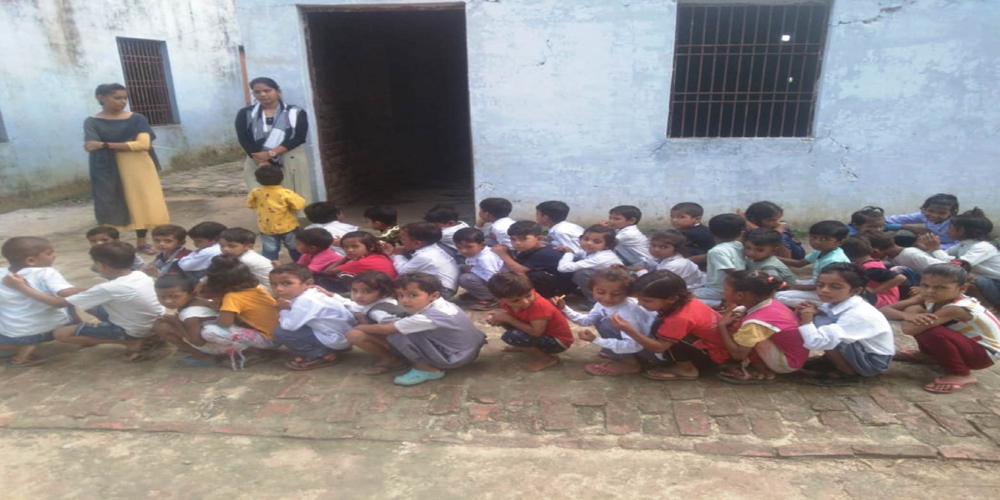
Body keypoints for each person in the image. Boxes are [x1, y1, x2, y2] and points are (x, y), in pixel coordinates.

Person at [6, 241, 165, 362]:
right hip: (154, 321)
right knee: (89, 305)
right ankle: (140, 336)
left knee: (60, 333)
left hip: (136, 329)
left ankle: (131, 342)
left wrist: (21, 287)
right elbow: (84, 295)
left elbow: (58, 303)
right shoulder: (140, 275)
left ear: (101, 265)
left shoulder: (107, 288)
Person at [347, 273, 486, 385]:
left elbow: (386, 329)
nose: (404, 300)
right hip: (466, 350)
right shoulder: (443, 305)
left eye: (413, 295)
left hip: (454, 357)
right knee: (402, 328)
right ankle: (403, 358)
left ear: (434, 295)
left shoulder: (426, 317)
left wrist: (360, 326)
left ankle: (428, 369)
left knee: (397, 333)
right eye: (400, 295)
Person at [882, 263, 1000, 393]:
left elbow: (909, 329)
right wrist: (907, 314)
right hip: (969, 345)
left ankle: (960, 373)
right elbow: (883, 310)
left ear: (962, 288)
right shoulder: (932, 298)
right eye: (925, 285)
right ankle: (928, 355)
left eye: (941, 287)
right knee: (920, 317)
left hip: (983, 355)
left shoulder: (956, 308)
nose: (930, 291)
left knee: (929, 329)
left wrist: (911, 312)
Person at [84, 83, 170, 254]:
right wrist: (126, 145)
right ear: (101, 98)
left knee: (141, 201)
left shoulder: (137, 119)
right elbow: (90, 145)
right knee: (109, 201)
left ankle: (142, 241)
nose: (122, 101)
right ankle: (112, 243)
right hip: (105, 167)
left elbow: (143, 144)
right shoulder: (92, 121)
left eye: (125, 98)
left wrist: (105, 144)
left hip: (137, 166)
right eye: (117, 98)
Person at [611, 270, 727, 380]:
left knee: (670, 335)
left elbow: (658, 348)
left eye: (646, 301)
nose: (640, 304)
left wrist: (629, 330)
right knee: (662, 327)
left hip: (712, 356)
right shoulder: (685, 301)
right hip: (715, 346)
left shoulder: (680, 318)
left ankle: (686, 369)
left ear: (671, 299)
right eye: (639, 299)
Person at [795, 263, 895, 386]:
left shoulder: (858, 314)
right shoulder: (838, 302)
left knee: (824, 331)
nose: (824, 290)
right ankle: (832, 360)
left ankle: (847, 373)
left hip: (873, 361)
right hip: (862, 350)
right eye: (820, 285)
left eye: (835, 287)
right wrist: (812, 311)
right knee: (821, 321)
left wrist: (807, 317)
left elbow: (815, 342)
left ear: (856, 291)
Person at [557, 268, 656, 376]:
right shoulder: (602, 304)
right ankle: (621, 353)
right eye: (601, 292)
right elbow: (587, 321)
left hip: (651, 349)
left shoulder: (628, 313)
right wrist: (564, 308)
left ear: (627, 293)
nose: (607, 298)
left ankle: (630, 363)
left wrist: (596, 340)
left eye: (616, 294)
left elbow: (635, 345)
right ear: (592, 290)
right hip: (639, 343)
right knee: (601, 319)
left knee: (607, 324)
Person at [716, 271, 807, 384]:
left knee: (739, 329)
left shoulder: (755, 323)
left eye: (725, 289)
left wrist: (721, 326)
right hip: (797, 356)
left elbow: (738, 355)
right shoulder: (771, 302)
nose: (723, 292)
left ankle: (760, 370)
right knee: (741, 318)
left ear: (740, 295)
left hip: (787, 363)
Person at [0, 237, 78, 366]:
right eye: (49, 253)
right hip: (55, 328)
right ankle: (78, 328)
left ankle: (19, 349)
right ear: (31, 260)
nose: (54, 255)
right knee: (68, 300)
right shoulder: (46, 272)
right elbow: (64, 297)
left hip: (18, 335)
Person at [236, 77, 312, 201]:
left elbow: (299, 137)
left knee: (294, 195)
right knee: (263, 197)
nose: (262, 94)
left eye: (267, 90)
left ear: (278, 91)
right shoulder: (245, 114)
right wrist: (260, 160)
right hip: (257, 159)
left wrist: (271, 153)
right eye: (257, 92)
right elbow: (243, 138)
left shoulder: (296, 112)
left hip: (290, 158)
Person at [271, 264, 357, 370]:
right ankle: (332, 349)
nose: (278, 289)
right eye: (274, 284)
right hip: (344, 335)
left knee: (281, 332)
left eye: (287, 283)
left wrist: (282, 309)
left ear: (308, 283)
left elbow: (289, 326)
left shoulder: (304, 301)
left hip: (336, 339)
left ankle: (321, 355)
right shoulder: (313, 292)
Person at [202, 254, 280, 369]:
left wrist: (221, 309)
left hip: (269, 340)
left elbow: (224, 324)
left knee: (208, 331)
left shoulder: (232, 297)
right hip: (277, 334)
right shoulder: (257, 288)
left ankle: (257, 352)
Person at [486, 272, 574, 372]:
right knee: (504, 320)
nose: (525, 302)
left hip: (558, 342)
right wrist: (497, 318)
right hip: (542, 332)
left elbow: (536, 332)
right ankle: (523, 346)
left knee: (513, 335)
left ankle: (547, 359)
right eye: (515, 301)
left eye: (528, 295)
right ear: (499, 299)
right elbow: (512, 316)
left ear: (532, 289)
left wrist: (507, 318)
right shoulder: (506, 301)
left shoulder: (539, 306)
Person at [916, 208, 1000, 309]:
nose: (947, 230)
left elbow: (958, 266)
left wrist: (935, 249)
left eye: (950, 227)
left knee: (964, 276)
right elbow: (943, 258)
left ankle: (987, 306)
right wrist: (928, 248)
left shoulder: (983, 246)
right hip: (986, 283)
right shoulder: (962, 245)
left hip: (996, 285)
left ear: (961, 231)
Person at [150, 274, 223, 367]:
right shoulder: (199, 300)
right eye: (161, 297)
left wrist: (177, 322)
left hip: (220, 347)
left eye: (174, 296)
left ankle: (204, 356)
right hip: (223, 339)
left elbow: (198, 342)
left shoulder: (190, 314)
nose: (167, 301)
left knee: (162, 327)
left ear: (192, 294)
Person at [775, 220, 851, 306]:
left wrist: (792, 287)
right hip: (819, 284)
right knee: (791, 283)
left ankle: (825, 306)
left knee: (779, 296)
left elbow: (826, 285)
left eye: (825, 239)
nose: (816, 242)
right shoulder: (821, 251)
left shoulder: (833, 260)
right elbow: (799, 263)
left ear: (840, 242)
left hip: (829, 291)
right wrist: (773, 257)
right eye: (814, 237)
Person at [492, 221, 575, 299]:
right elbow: (517, 265)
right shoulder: (527, 250)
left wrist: (503, 255)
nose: (517, 243)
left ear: (539, 238)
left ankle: (543, 299)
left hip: (561, 288)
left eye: (523, 239)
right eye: (513, 239)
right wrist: (508, 253)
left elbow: (519, 271)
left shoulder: (545, 253)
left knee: (533, 276)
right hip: (552, 283)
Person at [382, 222, 460, 299]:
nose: (401, 242)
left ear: (417, 243)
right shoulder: (433, 248)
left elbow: (403, 271)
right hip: (443, 286)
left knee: (401, 282)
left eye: (403, 239)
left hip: (443, 290)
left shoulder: (425, 256)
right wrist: (392, 254)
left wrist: (398, 254)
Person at [246, 166, 305, 262]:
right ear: (281, 178)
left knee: (270, 250)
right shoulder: (285, 193)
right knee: (294, 247)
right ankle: (300, 264)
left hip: (266, 227)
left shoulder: (255, 192)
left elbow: (250, 204)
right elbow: (298, 205)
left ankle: (269, 267)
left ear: (258, 180)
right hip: (288, 226)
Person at [555, 224, 623, 303]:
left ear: (607, 246)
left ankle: (596, 302)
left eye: (597, 242)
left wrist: (568, 253)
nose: (589, 243)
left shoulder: (602, 257)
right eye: (586, 239)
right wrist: (567, 250)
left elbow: (563, 268)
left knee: (582, 274)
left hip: (615, 284)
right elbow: (575, 255)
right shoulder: (588, 251)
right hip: (604, 279)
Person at [692, 214, 747, 307]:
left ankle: (720, 303)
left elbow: (732, 272)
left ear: (710, 231)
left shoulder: (716, 251)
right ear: (740, 233)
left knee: (686, 296)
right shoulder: (739, 245)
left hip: (718, 290)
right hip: (728, 287)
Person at [320, 231, 397, 293]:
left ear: (371, 247)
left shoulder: (362, 262)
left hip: (380, 292)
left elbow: (328, 271)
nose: (349, 250)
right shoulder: (380, 255)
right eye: (345, 247)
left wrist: (347, 258)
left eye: (355, 246)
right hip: (388, 288)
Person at [840, 236, 904, 307]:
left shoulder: (870, 268)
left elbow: (900, 278)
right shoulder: (872, 262)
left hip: (885, 299)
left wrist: (874, 291)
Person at [454, 227, 505, 310]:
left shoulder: (485, 258)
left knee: (466, 278)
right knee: (460, 268)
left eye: (469, 247)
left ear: (482, 245)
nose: (463, 251)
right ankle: (478, 293)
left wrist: (472, 270)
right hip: (491, 280)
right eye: (459, 247)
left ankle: (491, 298)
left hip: (499, 284)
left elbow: (492, 277)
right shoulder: (475, 253)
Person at [885, 193, 960, 249]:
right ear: (924, 208)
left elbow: (958, 246)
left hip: (944, 249)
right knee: (898, 239)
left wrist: (932, 246)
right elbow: (897, 219)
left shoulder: (954, 224)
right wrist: (882, 222)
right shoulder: (924, 215)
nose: (934, 215)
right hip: (927, 242)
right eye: (930, 211)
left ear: (952, 213)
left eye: (942, 213)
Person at [639, 230, 705, 289]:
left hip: (687, 291)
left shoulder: (675, 264)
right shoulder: (661, 258)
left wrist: (641, 271)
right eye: (653, 245)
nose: (656, 249)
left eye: (663, 247)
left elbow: (654, 284)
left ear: (677, 249)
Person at [740, 201, 805, 259]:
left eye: (778, 219)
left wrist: (746, 221)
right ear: (755, 220)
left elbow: (769, 235)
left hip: (796, 254)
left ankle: (787, 263)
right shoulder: (749, 227)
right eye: (770, 220)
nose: (776, 223)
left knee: (781, 237)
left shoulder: (782, 225)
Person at [218, 228, 274, 292]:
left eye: (232, 246)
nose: (225, 249)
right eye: (222, 246)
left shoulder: (244, 260)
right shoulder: (243, 255)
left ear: (249, 247)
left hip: (268, 290)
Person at [670, 202, 714, 266]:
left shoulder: (689, 233)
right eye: (672, 217)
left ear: (697, 219)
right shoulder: (704, 228)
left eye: (681, 217)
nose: (674, 220)